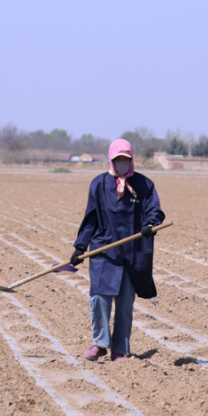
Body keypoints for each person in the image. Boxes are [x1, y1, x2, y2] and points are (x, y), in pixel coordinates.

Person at [71, 139, 165, 362]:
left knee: (124, 303)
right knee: (99, 298)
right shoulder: (99, 184)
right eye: (118, 159)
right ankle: (100, 344)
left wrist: (150, 224)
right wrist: (80, 246)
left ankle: (120, 349)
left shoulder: (144, 184)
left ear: (131, 160)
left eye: (125, 159)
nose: (122, 163)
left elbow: (155, 210)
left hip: (132, 252)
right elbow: (91, 219)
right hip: (104, 251)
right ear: (111, 160)